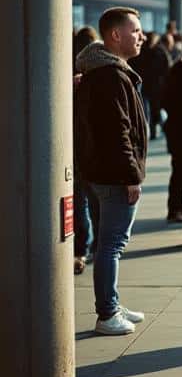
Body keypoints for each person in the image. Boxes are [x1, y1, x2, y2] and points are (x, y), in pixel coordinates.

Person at [74, 7, 149, 335]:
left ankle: (113, 304)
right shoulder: (112, 76)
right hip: (113, 174)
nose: (142, 37)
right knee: (111, 245)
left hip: (95, 170)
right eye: (135, 31)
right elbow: (117, 131)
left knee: (106, 243)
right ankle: (107, 314)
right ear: (115, 35)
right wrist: (131, 175)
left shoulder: (97, 71)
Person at [72, 26, 99, 275]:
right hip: (94, 152)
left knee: (80, 201)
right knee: (95, 202)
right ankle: (94, 248)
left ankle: (81, 248)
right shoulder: (99, 80)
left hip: (75, 150)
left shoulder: (70, 80)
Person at [162, 51, 182, 222]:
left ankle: (176, 206)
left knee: (178, 169)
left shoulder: (176, 69)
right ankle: (176, 207)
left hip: (175, 128)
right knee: (180, 170)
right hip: (181, 128)